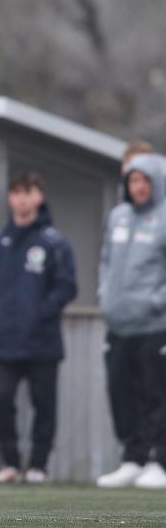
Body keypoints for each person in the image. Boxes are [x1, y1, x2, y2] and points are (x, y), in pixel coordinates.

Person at [0, 171, 76, 484]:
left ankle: (38, 466)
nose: (21, 198)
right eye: (16, 192)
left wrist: (41, 313)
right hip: (5, 340)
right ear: (9, 198)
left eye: (28, 191)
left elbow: (66, 287)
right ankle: (10, 464)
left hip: (42, 341)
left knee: (43, 405)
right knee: (1, 400)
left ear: (39, 196)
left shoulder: (53, 242)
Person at [97, 154, 166, 489]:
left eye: (144, 181)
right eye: (133, 181)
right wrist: (104, 295)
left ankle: (159, 460)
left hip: (155, 324)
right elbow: (106, 261)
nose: (138, 187)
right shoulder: (118, 217)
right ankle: (133, 457)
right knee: (120, 391)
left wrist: (155, 301)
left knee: (156, 393)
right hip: (119, 323)